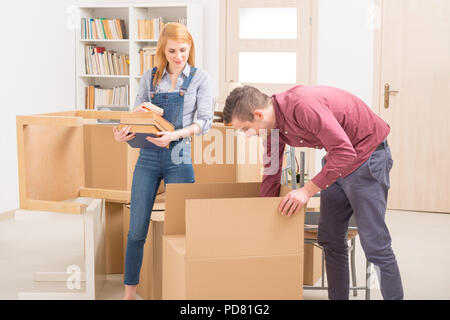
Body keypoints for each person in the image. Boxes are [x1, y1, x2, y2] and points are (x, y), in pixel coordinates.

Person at [223, 85, 403, 300]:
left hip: (367, 156)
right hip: (339, 161)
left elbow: (345, 151)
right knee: (330, 239)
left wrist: (306, 191)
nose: (247, 135)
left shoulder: (302, 106)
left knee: (375, 244)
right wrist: (263, 215)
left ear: (258, 114)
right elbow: (271, 172)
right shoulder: (272, 128)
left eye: (245, 129)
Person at [113, 22, 213, 300]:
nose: (178, 56)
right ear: (162, 50)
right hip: (147, 157)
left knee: (183, 229)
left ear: (190, 48)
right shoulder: (150, 77)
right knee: (136, 231)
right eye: (172, 51)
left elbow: (204, 123)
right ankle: (129, 295)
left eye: (183, 50)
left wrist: (173, 135)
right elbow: (136, 113)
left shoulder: (200, 78)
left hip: (179, 156)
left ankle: (184, 291)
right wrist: (123, 131)